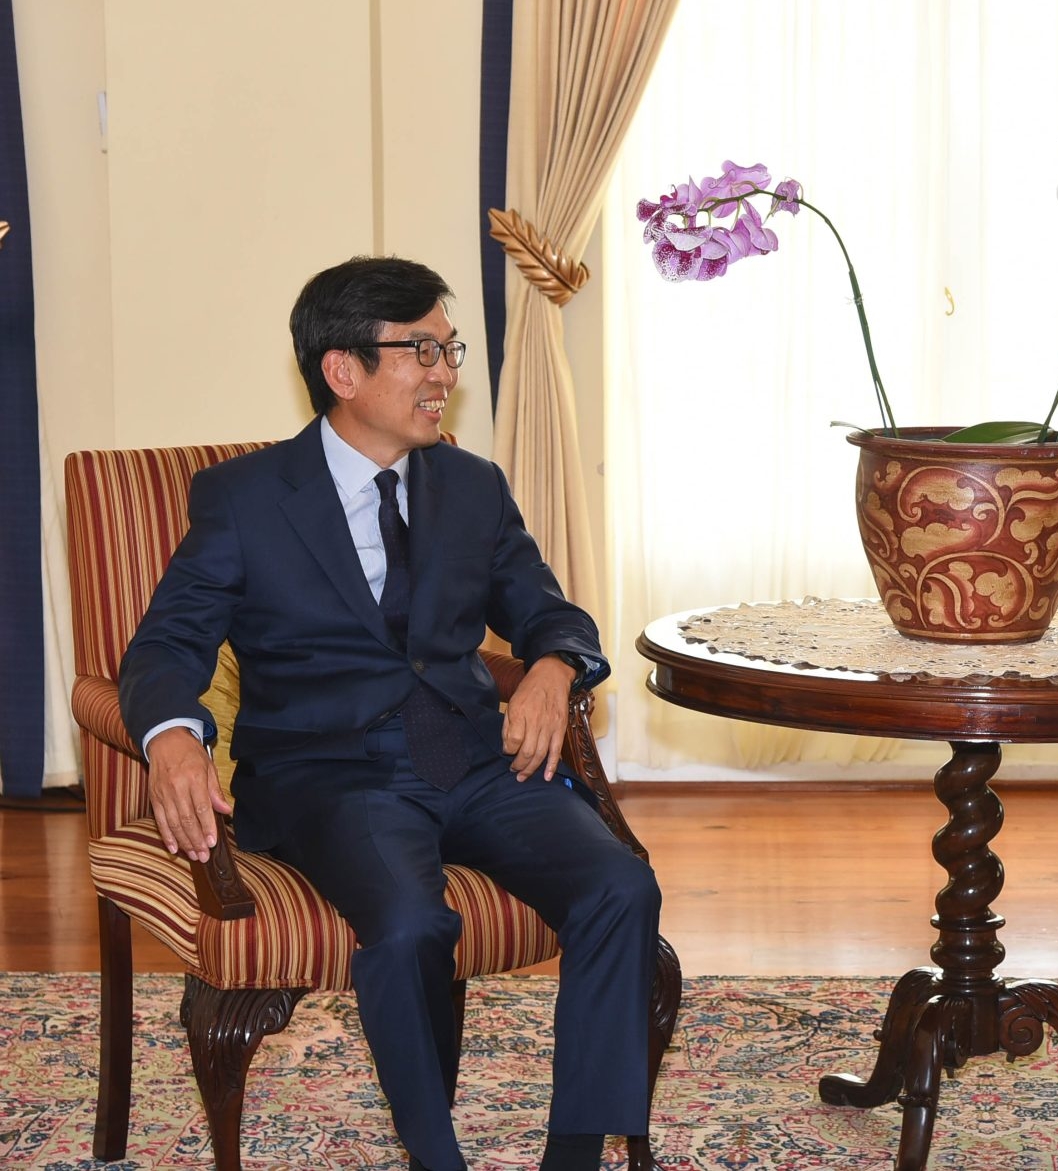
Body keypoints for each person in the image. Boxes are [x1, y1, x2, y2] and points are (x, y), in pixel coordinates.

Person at [120, 257, 660, 1171]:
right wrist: (174, 736)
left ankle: (574, 1157)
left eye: (450, 349)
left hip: (476, 760)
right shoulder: (245, 498)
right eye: (423, 351)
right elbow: (165, 644)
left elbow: (549, 610)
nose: (445, 372)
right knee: (411, 925)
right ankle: (433, 1156)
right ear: (343, 369)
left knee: (621, 885)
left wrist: (553, 666)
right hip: (330, 775)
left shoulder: (472, 485)